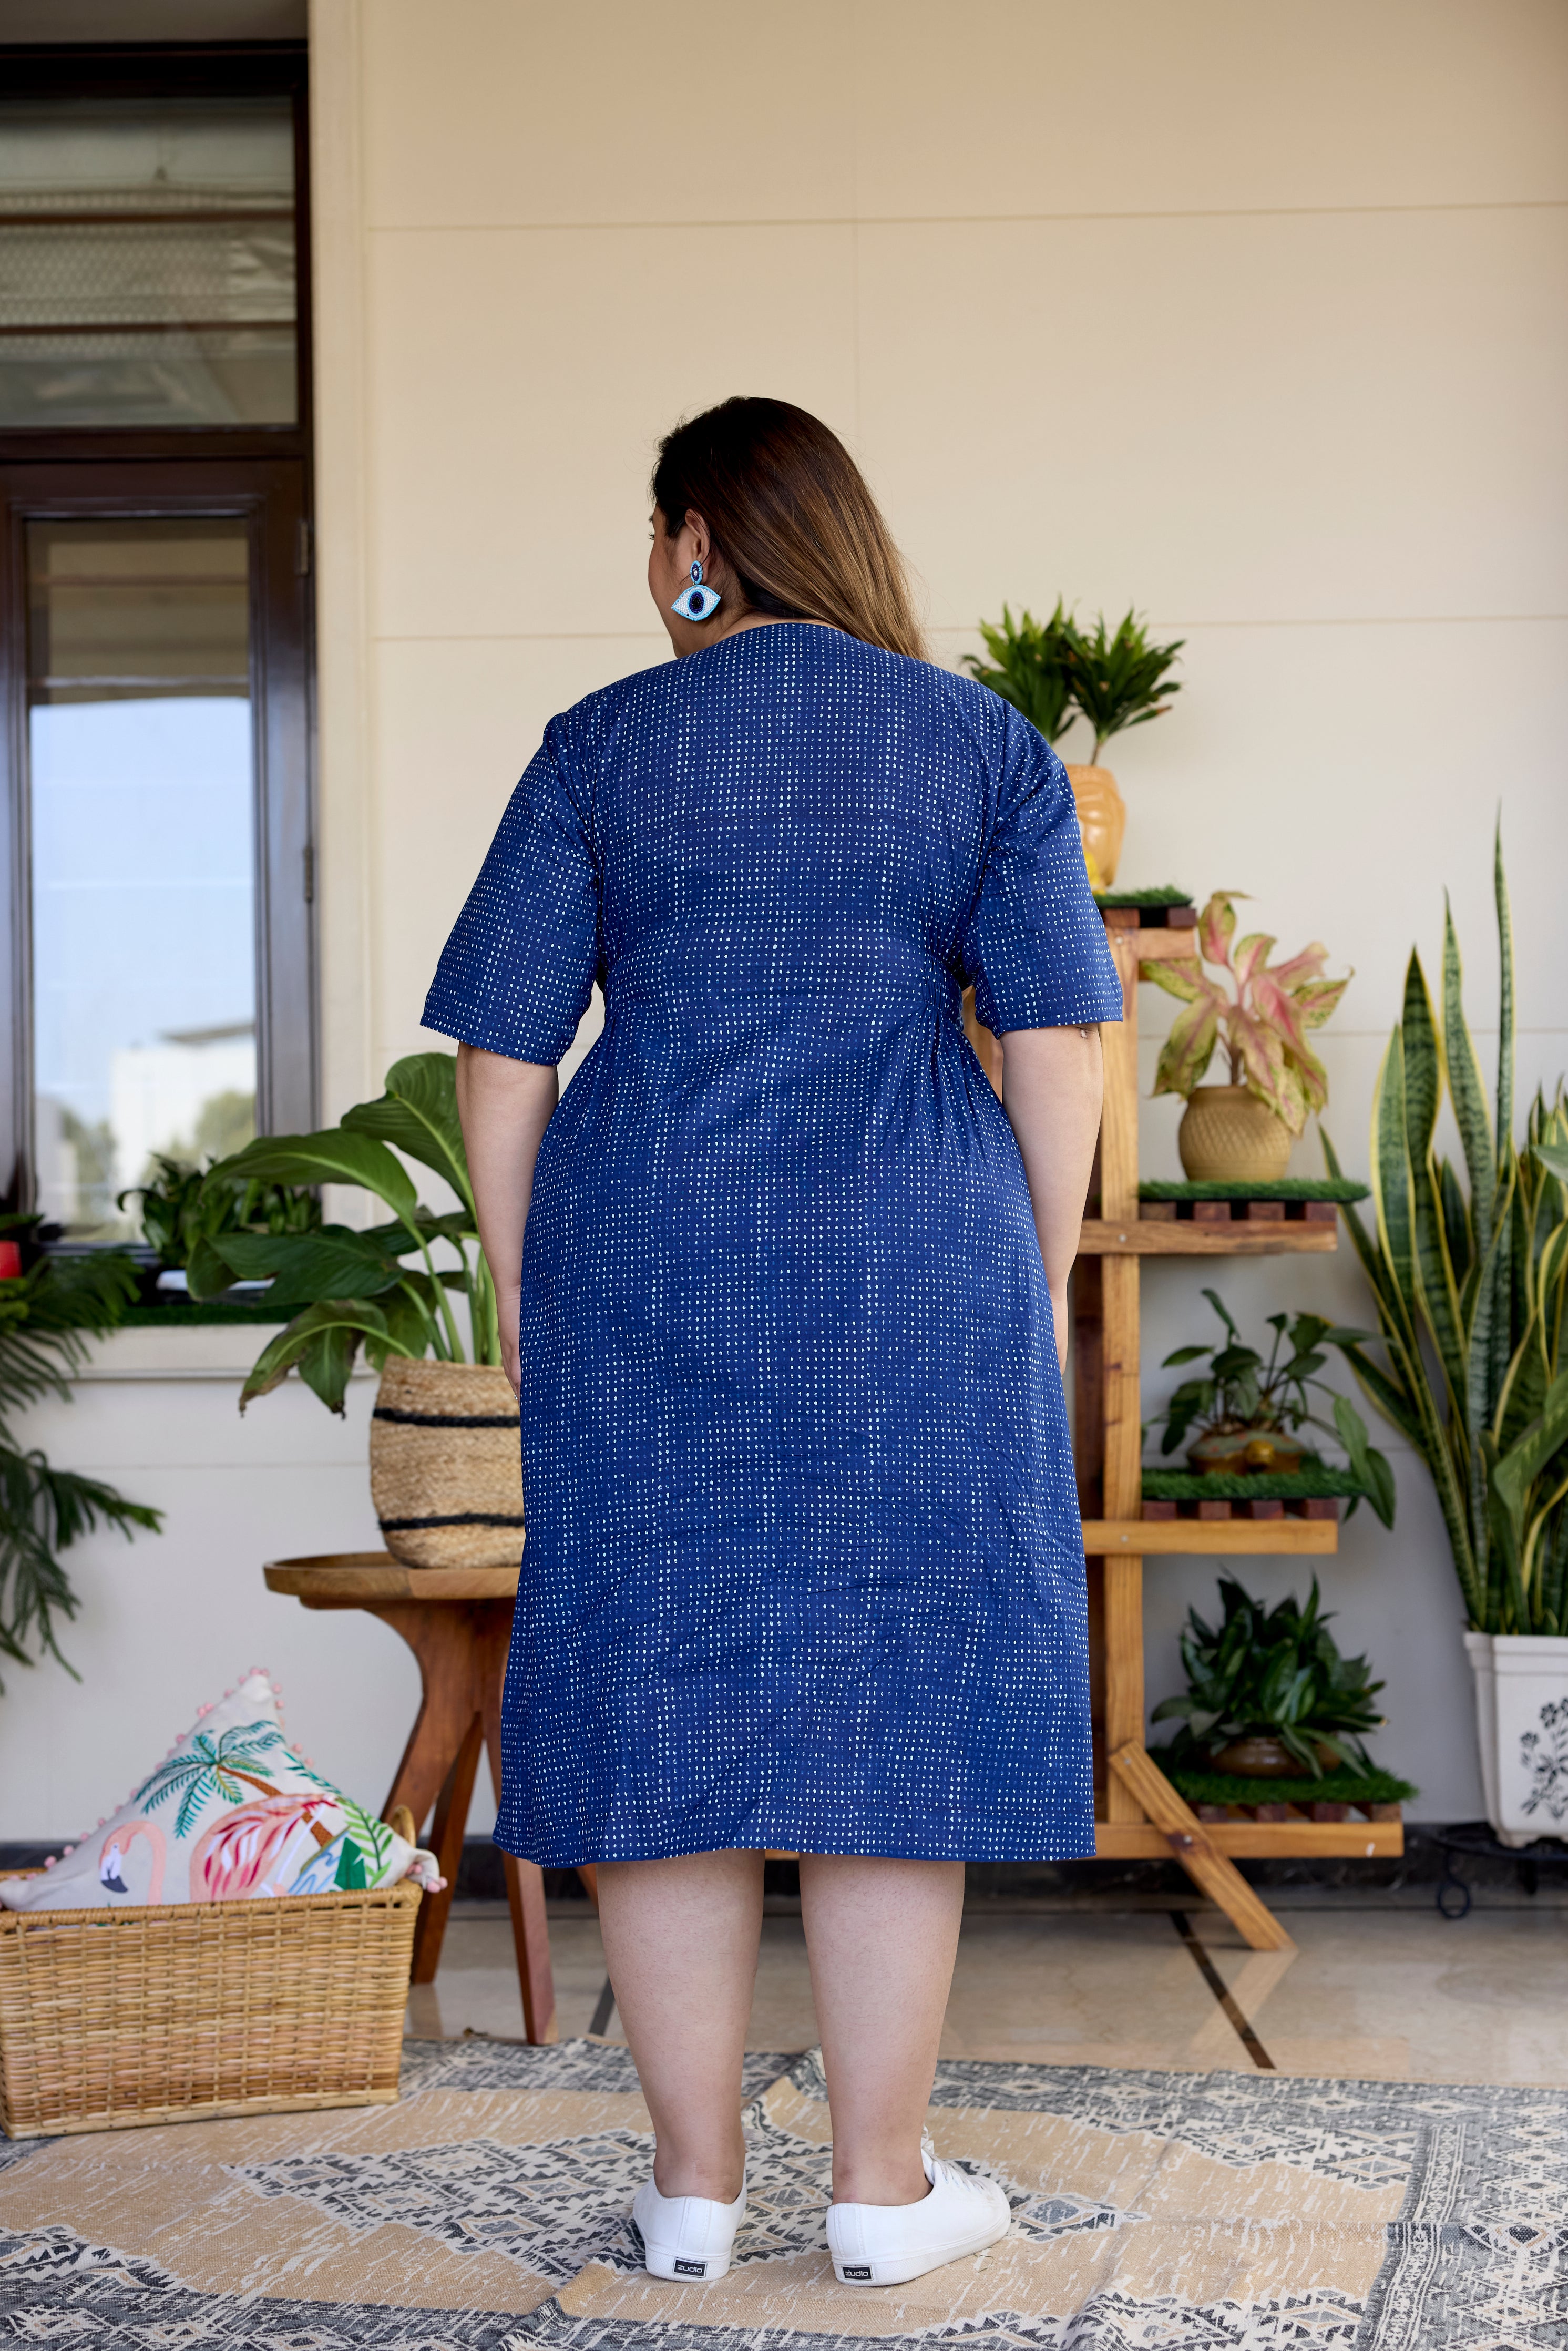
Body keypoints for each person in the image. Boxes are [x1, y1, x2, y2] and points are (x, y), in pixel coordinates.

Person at [425, 396, 1120, 2291]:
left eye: (652, 538)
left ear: (700, 535)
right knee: (896, 1696)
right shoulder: (979, 741)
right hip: (921, 1256)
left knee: (659, 1687)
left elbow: (502, 1048)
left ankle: (692, 2190)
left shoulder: (599, 748)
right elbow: (1058, 1041)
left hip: (643, 1255)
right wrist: (1031, 1271)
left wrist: (518, 1271)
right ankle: (883, 2192)